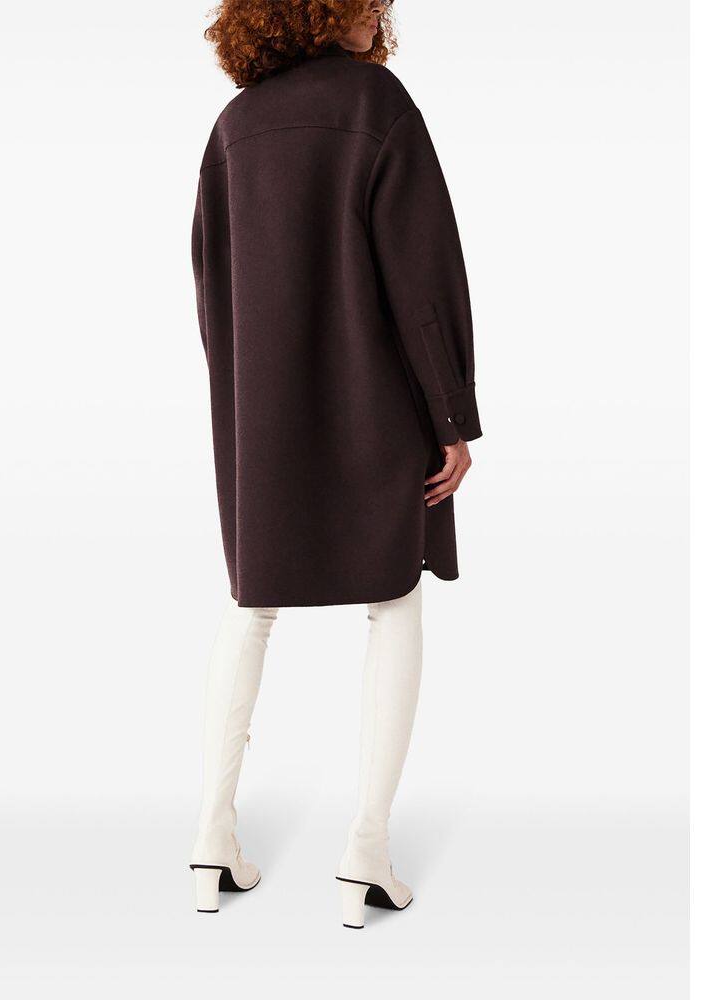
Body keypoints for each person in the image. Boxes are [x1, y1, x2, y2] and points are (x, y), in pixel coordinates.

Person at [189, 0, 481, 928]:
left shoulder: (233, 127)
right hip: (375, 403)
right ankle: (366, 851)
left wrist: (245, 403)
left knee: (250, 606)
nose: (378, 16)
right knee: (393, 600)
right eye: (368, 2)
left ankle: (210, 836)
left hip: (260, 412)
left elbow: (210, 286)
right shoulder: (375, 105)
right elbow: (423, 275)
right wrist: (451, 415)